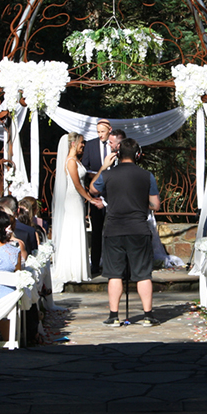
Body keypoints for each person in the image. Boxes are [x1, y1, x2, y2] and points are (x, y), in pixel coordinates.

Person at [92, 137, 161, 327]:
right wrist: (140, 203)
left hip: (113, 229)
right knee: (143, 274)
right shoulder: (147, 176)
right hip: (138, 229)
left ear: (118, 155)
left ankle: (114, 316)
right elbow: (155, 204)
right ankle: (148, 315)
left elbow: (92, 189)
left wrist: (104, 168)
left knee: (114, 274)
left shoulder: (107, 175)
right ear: (137, 155)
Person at [52, 133, 104, 292]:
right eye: (81, 143)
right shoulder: (70, 162)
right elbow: (77, 185)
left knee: (77, 231)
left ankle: (78, 269)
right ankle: (72, 270)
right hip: (73, 201)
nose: (83, 146)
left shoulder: (76, 161)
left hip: (78, 201)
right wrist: (91, 199)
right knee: (74, 232)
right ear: (73, 143)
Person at [82, 119, 114, 276]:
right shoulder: (90, 145)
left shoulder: (115, 144)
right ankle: (95, 263)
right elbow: (85, 167)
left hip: (113, 193)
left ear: (109, 130)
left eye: (102, 131)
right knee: (96, 230)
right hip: (96, 193)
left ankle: (111, 263)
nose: (100, 135)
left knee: (113, 230)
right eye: (98, 132)